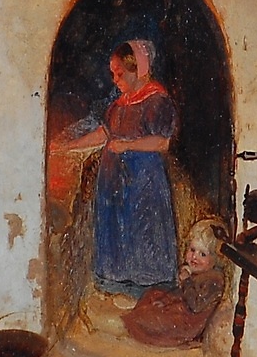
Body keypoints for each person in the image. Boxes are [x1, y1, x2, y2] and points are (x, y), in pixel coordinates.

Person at [57, 40, 178, 295]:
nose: (115, 80)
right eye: (113, 74)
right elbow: (104, 133)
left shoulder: (157, 100)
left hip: (143, 181)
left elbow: (162, 142)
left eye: (119, 73)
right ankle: (115, 282)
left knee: (143, 229)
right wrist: (69, 146)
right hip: (114, 181)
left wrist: (127, 145)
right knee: (115, 230)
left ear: (138, 70)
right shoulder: (119, 104)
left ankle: (148, 288)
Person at [121, 220, 226, 348]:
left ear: (216, 259)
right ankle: (136, 317)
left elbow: (195, 305)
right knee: (152, 294)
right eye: (192, 250)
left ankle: (130, 323)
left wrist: (186, 281)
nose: (194, 257)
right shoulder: (197, 272)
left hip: (187, 322)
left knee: (153, 318)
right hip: (181, 308)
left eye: (202, 254)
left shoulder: (214, 280)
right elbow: (179, 293)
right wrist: (165, 301)